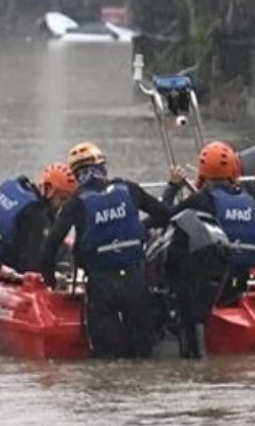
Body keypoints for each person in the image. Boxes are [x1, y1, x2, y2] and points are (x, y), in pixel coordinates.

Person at [38, 142, 171, 359]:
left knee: (106, 357)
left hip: (101, 285)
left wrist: (50, 280)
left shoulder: (77, 203)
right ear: (103, 167)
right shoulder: (128, 189)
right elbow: (165, 214)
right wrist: (140, 228)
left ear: (76, 175)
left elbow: (50, 246)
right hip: (135, 281)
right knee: (142, 354)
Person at [165, 141, 255, 305]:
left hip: (214, 285)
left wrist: (172, 187)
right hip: (244, 281)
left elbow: (166, 216)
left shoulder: (203, 198)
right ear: (234, 170)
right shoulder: (250, 201)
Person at [0, 163, 78, 274]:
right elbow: (32, 264)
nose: (62, 207)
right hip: (5, 260)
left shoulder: (19, 188)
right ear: (49, 190)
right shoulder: (37, 215)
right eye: (62, 199)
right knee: (62, 251)